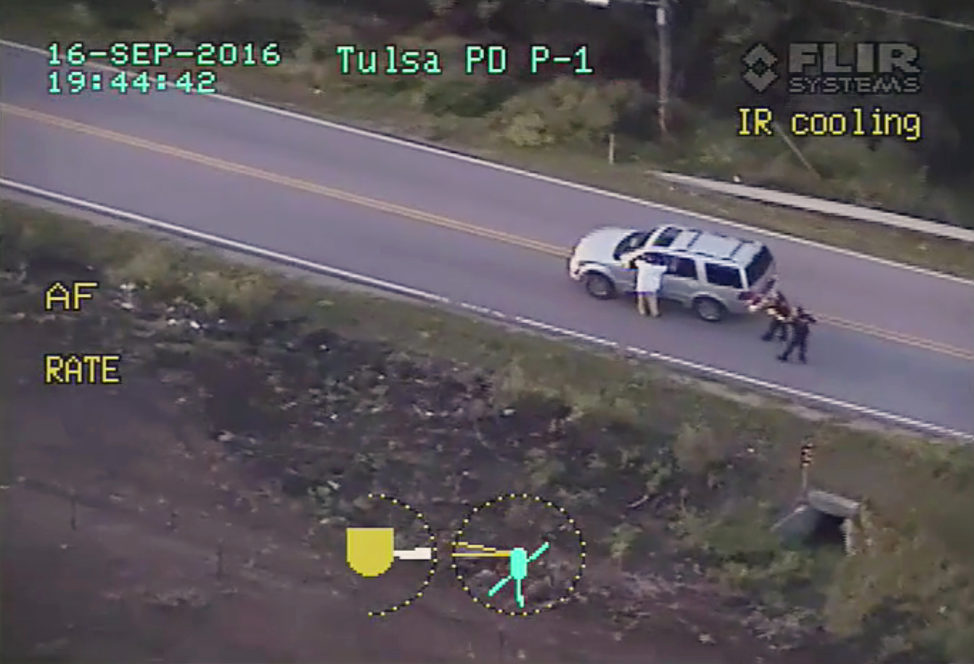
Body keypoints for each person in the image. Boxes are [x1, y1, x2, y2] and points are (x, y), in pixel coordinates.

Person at [632, 253, 667, 317]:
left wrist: (642, 256)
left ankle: (643, 312)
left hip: (642, 286)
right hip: (651, 288)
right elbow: (665, 267)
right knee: (652, 301)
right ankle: (654, 313)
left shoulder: (643, 266)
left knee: (641, 300)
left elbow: (637, 261)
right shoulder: (658, 269)